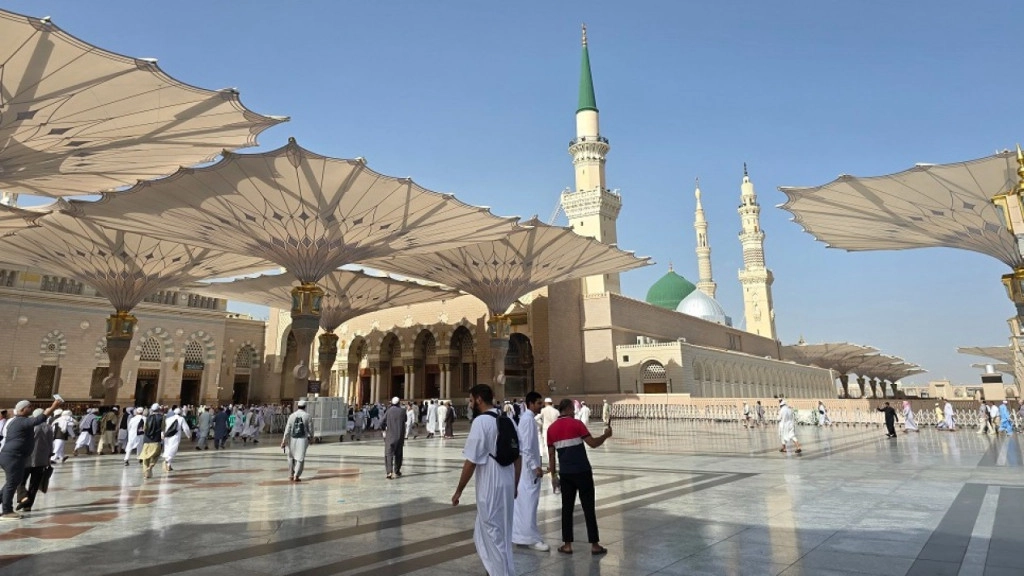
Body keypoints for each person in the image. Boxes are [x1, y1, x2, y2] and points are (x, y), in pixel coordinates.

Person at [451, 384, 521, 576]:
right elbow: (518, 456)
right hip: (507, 481)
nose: (470, 403)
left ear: (479, 400)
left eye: (471, 400)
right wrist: (514, 485)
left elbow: (471, 461)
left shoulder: (481, 422)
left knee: (492, 533)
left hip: (491, 484)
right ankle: (501, 571)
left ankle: (499, 573)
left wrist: (459, 490)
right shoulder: (508, 420)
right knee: (502, 532)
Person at [547, 398, 610, 555]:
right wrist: (606, 435)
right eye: (573, 410)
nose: (574, 413)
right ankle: (595, 544)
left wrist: (554, 476)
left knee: (566, 509)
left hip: (566, 474)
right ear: (568, 408)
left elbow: (551, 455)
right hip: (582, 472)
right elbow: (593, 443)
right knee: (588, 507)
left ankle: (567, 545)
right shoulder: (577, 424)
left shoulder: (551, 429)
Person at [1, 399, 62, 519]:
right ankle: (6, 511)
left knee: (13, 482)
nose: (31, 408)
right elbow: (40, 419)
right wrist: (54, 406)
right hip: (13, 456)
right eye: (29, 407)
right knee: (12, 483)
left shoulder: (17, 421)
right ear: (22, 410)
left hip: (13, 456)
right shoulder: (22, 421)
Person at [513, 391, 548, 551]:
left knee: (525, 503)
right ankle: (531, 538)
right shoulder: (527, 420)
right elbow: (525, 447)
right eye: (539, 403)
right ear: (531, 403)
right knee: (529, 503)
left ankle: (522, 536)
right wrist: (535, 466)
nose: (541, 406)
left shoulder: (529, 420)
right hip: (528, 470)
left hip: (527, 469)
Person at [16, 408, 54, 512]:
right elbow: (51, 444)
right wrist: (49, 456)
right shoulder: (49, 427)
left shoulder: (29, 426)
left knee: (20, 480)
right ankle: (28, 505)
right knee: (34, 483)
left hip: (27, 458)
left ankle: (23, 498)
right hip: (41, 459)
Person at [281, 400, 313, 482]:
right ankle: (296, 475)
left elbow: (287, 429)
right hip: (302, 439)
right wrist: (311, 438)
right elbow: (311, 429)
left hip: (292, 439)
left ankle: (291, 474)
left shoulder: (292, 416)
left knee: (291, 457)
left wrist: (284, 440)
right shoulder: (307, 416)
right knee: (300, 458)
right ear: (305, 407)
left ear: (297, 406)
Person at [383, 397, 407, 479]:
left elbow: (382, 422)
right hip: (400, 436)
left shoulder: (389, 411)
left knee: (388, 454)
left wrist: (384, 429)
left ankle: (389, 472)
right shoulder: (403, 411)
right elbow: (405, 419)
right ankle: (397, 471)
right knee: (398, 455)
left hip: (390, 436)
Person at [140, 404, 164, 479]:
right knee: (156, 455)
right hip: (156, 440)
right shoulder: (162, 417)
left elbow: (144, 429)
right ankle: (150, 467)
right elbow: (163, 429)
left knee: (145, 457)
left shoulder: (148, 418)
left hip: (147, 440)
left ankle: (146, 474)